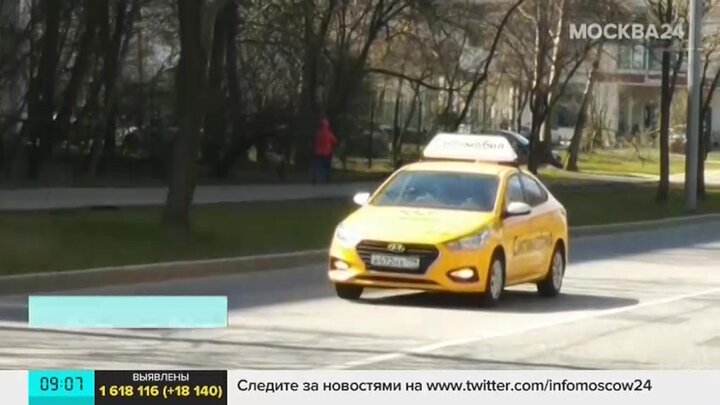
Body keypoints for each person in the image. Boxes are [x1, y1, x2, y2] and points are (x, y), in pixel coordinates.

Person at [313, 118, 338, 183]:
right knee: (327, 166)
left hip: (318, 152)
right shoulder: (329, 133)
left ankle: (315, 178)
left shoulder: (318, 133)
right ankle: (328, 179)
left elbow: (315, 140)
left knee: (317, 166)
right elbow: (335, 141)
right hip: (327, 153)